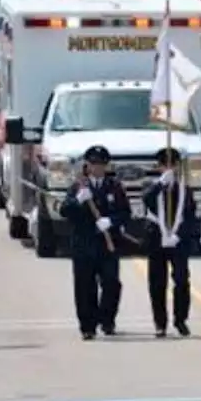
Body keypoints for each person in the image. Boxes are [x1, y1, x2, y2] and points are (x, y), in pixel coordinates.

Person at [60, 145, 131, 340]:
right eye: (94, 164)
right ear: (88, 166)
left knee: (111, 283)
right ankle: (87, 326)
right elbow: (65, 211)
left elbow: (126, 213)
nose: (98, 168)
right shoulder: (78, 187)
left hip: (108, 244)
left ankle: (107, 320)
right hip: (84, 243)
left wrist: (111, 221)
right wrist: (78, 201)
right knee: (84, 287)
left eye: (102, 164)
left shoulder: (115, 187)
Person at [143, 148, 198, 337]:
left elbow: (190, 217)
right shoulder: (151, 185)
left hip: (178, 241)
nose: (168, 168)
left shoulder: (184, 189)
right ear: (158, 167)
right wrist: (160, 184)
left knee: (182, 280)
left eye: (172, 164)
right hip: (156, 239)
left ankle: (181, 319)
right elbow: (147, 199)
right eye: (164, 165)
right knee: (157, 283)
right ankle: (160, 323)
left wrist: (179, 235)